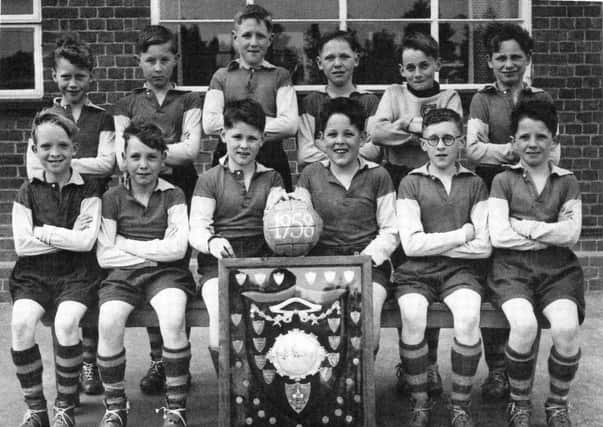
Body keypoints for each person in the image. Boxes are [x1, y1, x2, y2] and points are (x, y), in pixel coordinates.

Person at [467, 23, 558, 401]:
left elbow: (554, 153)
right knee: (495, 282)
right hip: (491, 193)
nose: (508, 64)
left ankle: (522, 369)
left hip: (535, 195)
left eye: (515, 57)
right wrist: (516, 153)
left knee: (530, 282)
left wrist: (508, 150)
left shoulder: (542, 99)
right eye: (500, 58)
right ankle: (498, 372)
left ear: (527, 60)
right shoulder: (482, 100)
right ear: (489, 62)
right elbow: (473, 149)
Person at [369, 31, 463, 394]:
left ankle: (430, 364)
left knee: (425, 272)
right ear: (401, 70)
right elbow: (375, 133)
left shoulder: (449, 95)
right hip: (396, 179)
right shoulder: (393, 94)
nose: (418, 72)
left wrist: (406, 129)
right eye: (411, 67)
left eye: (425, 65)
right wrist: (412, 129)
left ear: (437, 64)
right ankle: (410, 359)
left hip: (433, 184)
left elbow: (447, 133)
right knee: (401, 275)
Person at [112, 25, 201, 395]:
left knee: (174, 271)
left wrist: (147, 156)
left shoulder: (190, 100)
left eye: (165, 59)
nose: (158, 66)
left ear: (176, 60)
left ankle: (178, 352)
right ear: (139, 62)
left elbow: (191, 150)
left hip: (183, 191)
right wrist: (164, 154)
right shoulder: (127, 104)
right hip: (140, 193)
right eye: (150, 60)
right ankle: (158, 360)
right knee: (148, 270)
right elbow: (122, 155)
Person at [25, 37, 115, 396]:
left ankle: (90, 362)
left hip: (94, 205)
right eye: (65, 76)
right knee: (60, 289)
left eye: (80, 76)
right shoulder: (45, 117)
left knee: (90, 284)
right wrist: (73, 164)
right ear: (54, 76)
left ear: (91, 77)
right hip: (54, 206)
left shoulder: (102, 117)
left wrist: (62, 162)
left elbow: (109, 162)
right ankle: (70, 365)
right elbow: (34, 166)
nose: (72, 84)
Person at [488, 100, 584, 427]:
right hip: (511, 270)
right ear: (513, 141)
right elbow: (499, 235)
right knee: (525, 325)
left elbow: (571, 234)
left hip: (558, 271)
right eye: (524, 136)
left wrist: (526, 226)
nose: (532, 144)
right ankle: (520, 402)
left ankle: (557, 403)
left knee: (567, 329)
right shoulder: (502, 181)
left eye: (541, 136)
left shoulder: (567, 181)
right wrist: (549, 232)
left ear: (554, 140)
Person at [393, 108, 491, 427]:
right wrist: (462, 233)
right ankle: (420, 402)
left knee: (467, 318)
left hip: (462, 272)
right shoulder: (410, 183)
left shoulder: (475, 183)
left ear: (461, 142)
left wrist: (432, 241)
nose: (441, 145)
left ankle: (460, 404)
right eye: (433, 139)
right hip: (415, 273)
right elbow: (410, 245)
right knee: (412, 317)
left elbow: (484, 246)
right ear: (422, 144)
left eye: (448, 138)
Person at [96, 121, 194, 427]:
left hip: (167, 275)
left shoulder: (174, 194)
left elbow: (177, 249)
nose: (143, 165)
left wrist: (129, 245)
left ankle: (176, 408)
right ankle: (115, 407)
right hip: (122, 275)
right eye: (135, 156)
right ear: (123, 158)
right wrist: (153, 251)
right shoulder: (112, 197)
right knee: (109, 319)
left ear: (163, 159)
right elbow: (104, 254)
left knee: (173, 317)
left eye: (152, 157)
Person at [10, 111, 104, 427]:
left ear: (74, 148)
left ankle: (64, 405)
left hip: (78, 274)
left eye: (62, 145)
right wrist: (67, 236)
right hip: (33, 274)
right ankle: (36, 409)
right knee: (21, 324)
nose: (55, 153)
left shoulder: (89, 189)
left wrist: (44, 231)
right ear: (34, 149)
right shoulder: (27, 191)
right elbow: (23, 246)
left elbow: (87, 242)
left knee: (66, 324)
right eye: (46, 146)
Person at [293, 97, 398, 357]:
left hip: (368, 266)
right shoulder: (310, 175)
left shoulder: (378, 175)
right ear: (320, 139)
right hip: (321, 263)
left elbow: (391, 230)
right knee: (312, 326)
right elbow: (299, 222)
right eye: (332, 134)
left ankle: (359, 391)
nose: (340, 141)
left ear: (363, 137)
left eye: (348, 134)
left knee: (365, 328)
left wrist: (366, 259)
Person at [189, 99, 284, 373]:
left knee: (276, 311)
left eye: (252, 138)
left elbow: (277, 219)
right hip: (219, 263)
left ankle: (267, 381)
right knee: (221, 310)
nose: (244, 145)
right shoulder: (209, 179)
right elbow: (197, 227)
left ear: (263, 140)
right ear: (223, 136)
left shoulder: (272, 178)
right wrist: (210, 241)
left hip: (262, 258)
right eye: (237, 137)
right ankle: (229, 389)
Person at [202, 4, 298, 191]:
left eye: (260, 36)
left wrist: (236, 125)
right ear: (235, 38)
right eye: (246, 35)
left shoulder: (280, 76)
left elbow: (290, 124)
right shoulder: (221, 76)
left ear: (270, 40)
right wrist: (265, 123)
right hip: (228, 154)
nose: (253, 42)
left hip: (270, 155)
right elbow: (210, 123)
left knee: (275, 211)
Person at [297, 30, 380, 168]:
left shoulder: (369, 101)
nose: (337, 64)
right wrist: (351, 151)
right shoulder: (310, 102)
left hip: (360, 179)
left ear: (356, 60)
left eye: (344, 57)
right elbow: (305, 155)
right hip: (320, 181)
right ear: (319, 63)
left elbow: (373, 152)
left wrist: (324, 146)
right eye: (330, 58)